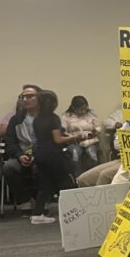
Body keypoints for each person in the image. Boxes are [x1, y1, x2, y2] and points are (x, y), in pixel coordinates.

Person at [30, 90, 80, 225]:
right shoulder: (53, 118)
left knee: (45, 185)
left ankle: (37, 214)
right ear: (54, 103)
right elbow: (57, 140)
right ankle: (73, 212)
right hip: (52, 154)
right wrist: (74, 137)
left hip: (40, 154)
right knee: (66, 181)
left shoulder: (37, 119)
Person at [2, 84, 42, 210]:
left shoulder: (49, 117)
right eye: (22, 97)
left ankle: (41, 200)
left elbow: (52, 142)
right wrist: (20, 156)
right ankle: (24, 200)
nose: (25, 99)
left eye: (29, 96)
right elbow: (9, 141)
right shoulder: (16, 119)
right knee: (9, 167)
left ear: (39, 98)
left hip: (42, 155)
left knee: (43, 166)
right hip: (22, 154)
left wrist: (36, 156)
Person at [61, 95, 100, 174]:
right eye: (80, 109)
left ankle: (92, 177)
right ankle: (78, 178)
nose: (83, 111)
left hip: (90, 141)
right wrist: (74, 137)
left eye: (85, 109)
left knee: (92, 154)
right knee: (75, 155)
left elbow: (99, 127)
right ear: (73, 107)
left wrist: (95, 131)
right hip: (74, 142)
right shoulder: (66, 116)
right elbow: (63, 131)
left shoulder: (91, 115)